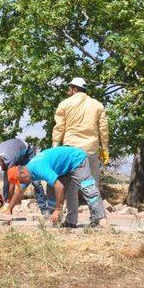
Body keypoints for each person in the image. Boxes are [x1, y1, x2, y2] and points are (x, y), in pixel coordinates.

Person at [52, 77, 109, 226]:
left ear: (74, 89)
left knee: (71, 186)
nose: (68, 91)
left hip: (71, 150)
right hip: (91, 149)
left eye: (69, 89)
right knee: (93, 185)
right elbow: (103, 129)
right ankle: (97, 219)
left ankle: (71, 220)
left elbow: (59, 128)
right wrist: (105, 149)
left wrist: (55, 147)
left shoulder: (65, 104)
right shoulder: (97, 105)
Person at [12, 146, 108, 227]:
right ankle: (61, 222)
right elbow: (19, 191)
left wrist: (58, 209)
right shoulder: (27, 173)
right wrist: (9, 209)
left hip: (76, 159)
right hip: (62, 169)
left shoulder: (38, 168)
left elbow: (59, 187)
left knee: (87, 187)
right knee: (51, 190)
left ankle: (101, 219)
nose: (22, 182)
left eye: (22, 180)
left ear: (23, 173)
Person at [0, 138, 50, 216]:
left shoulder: (9, 159)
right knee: (6, 184)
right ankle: (7, 210)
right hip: (14, 153)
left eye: (0, 167)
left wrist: (8, 204)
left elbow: (12, 184)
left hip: (27, 154)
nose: (1, 169)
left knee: (36, 183)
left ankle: (44, 210)